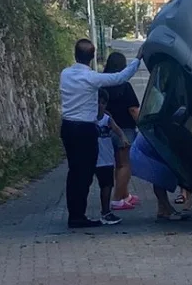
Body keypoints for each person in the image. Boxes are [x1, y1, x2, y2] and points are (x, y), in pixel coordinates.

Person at [59, 38, 142, 229]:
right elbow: (120, 78)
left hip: (67, 127)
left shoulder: (65, 74)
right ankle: (78, 217)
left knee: (74, 172)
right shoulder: (91, 78)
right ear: (93, 56)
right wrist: (137, 59)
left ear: (75, 54)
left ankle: (75, 213)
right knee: (85, 174)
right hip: (85, 129)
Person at [103, 52, 142, 210]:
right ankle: (117, 199)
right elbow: (133, 109)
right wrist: (142, 124)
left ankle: (125, 194)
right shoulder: (124, 86)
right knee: (125, 165)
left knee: (117, 165)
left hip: (107, 129)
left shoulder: (102, 83)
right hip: (125, 129)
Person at [130, 131, 191, 222]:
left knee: (159, 177)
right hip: (151, 143)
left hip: (150, 141)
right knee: (159, 177)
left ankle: (163, 209)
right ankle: (167, 209)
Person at [95, 89, 130, 225]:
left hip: (106, 158)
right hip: (93, 158)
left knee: (107, 185)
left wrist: (123, 137)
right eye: (97, 102)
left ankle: (106, 212)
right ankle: (102, 212)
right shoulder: (88, 118)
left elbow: (117, 129)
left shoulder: (107, 119)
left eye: (103, 103)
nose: (100, 105)